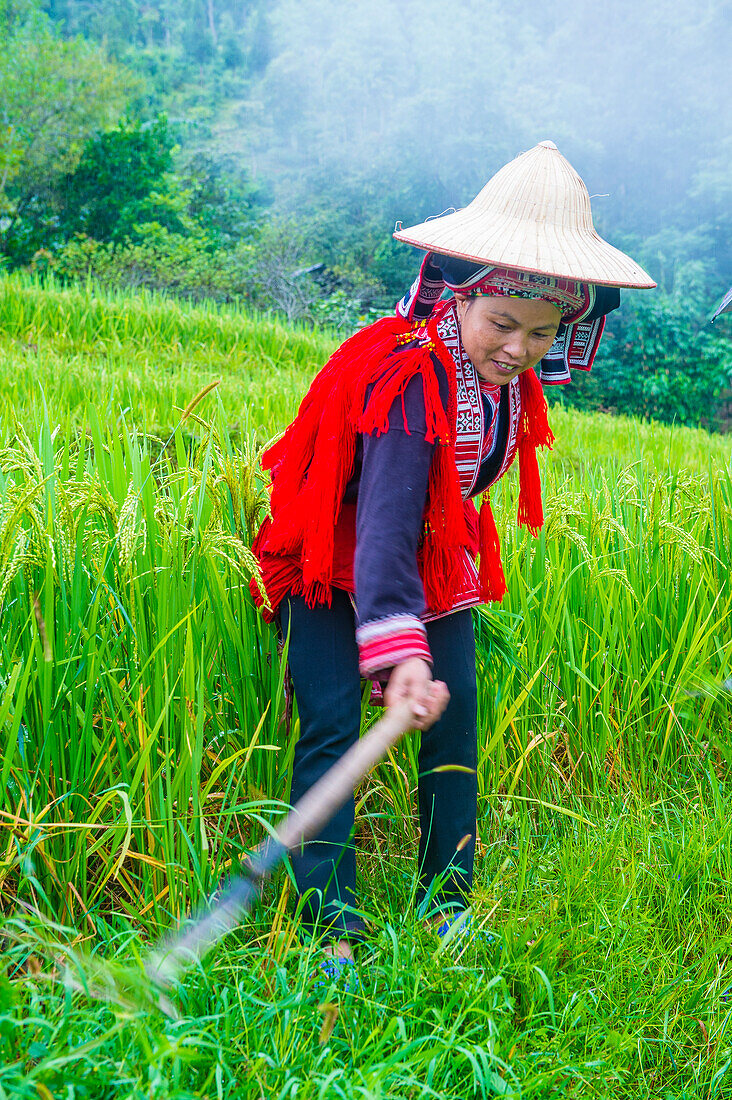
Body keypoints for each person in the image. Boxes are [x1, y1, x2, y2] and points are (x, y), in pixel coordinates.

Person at [251, 140, 655, 970]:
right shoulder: (406, 377)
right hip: (331, 554)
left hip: (430, 556)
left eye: (543, 333)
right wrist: (397, 651)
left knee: (456, 710)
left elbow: (434, 516)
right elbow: (384, 525)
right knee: (332, 724)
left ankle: (447, 905)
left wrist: (418, 645)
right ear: (460, 296)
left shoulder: (499, 380)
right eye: (503, 323)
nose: (518, 348)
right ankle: (330, 923)